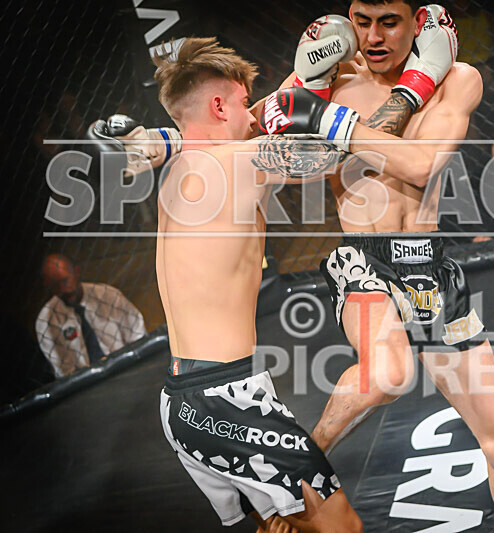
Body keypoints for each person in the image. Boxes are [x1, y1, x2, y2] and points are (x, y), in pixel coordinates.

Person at [275, 3, 494, 531]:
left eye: (388, 21)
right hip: (362, 261)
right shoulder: (330, 71)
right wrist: (308, 92)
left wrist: (327, 118)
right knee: (386, 374)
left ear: (416, 22)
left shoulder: (456, 78)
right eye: (361, 20)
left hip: (430, 268)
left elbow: (420, 165)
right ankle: (296, 469)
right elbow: (285, 164)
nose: (372, 36)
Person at [145, 37, 362, 532]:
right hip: (223, 398)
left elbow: (262, 123)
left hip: (189, 396)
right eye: (243, 103)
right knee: (342, 527)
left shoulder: (186, 169)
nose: (252, 115)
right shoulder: (232, 166)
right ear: (219, 105)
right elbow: (333, 152)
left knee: (282, 525)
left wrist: (306, 78)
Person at [35, 253, 146, 378]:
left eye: (65, 280)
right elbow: (64, 372)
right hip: (86, 382)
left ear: (77, 272)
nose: (63, 289)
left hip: (127, 367)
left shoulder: (108, 296)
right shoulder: (46, 320)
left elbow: (138, 336)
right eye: (55, 285)